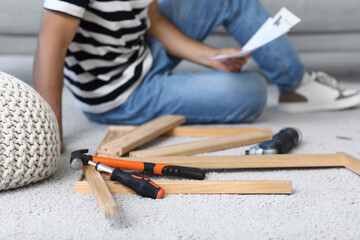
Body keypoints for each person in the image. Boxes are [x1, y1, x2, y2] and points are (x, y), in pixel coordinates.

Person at [34, 0, 360, 152]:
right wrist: (49, 132)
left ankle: (295, 86)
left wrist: (208, 56)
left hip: (141, 55)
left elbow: (153, 20)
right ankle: (278, 86)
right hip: (119, 94)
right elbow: (51, 45)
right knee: (253, 91)